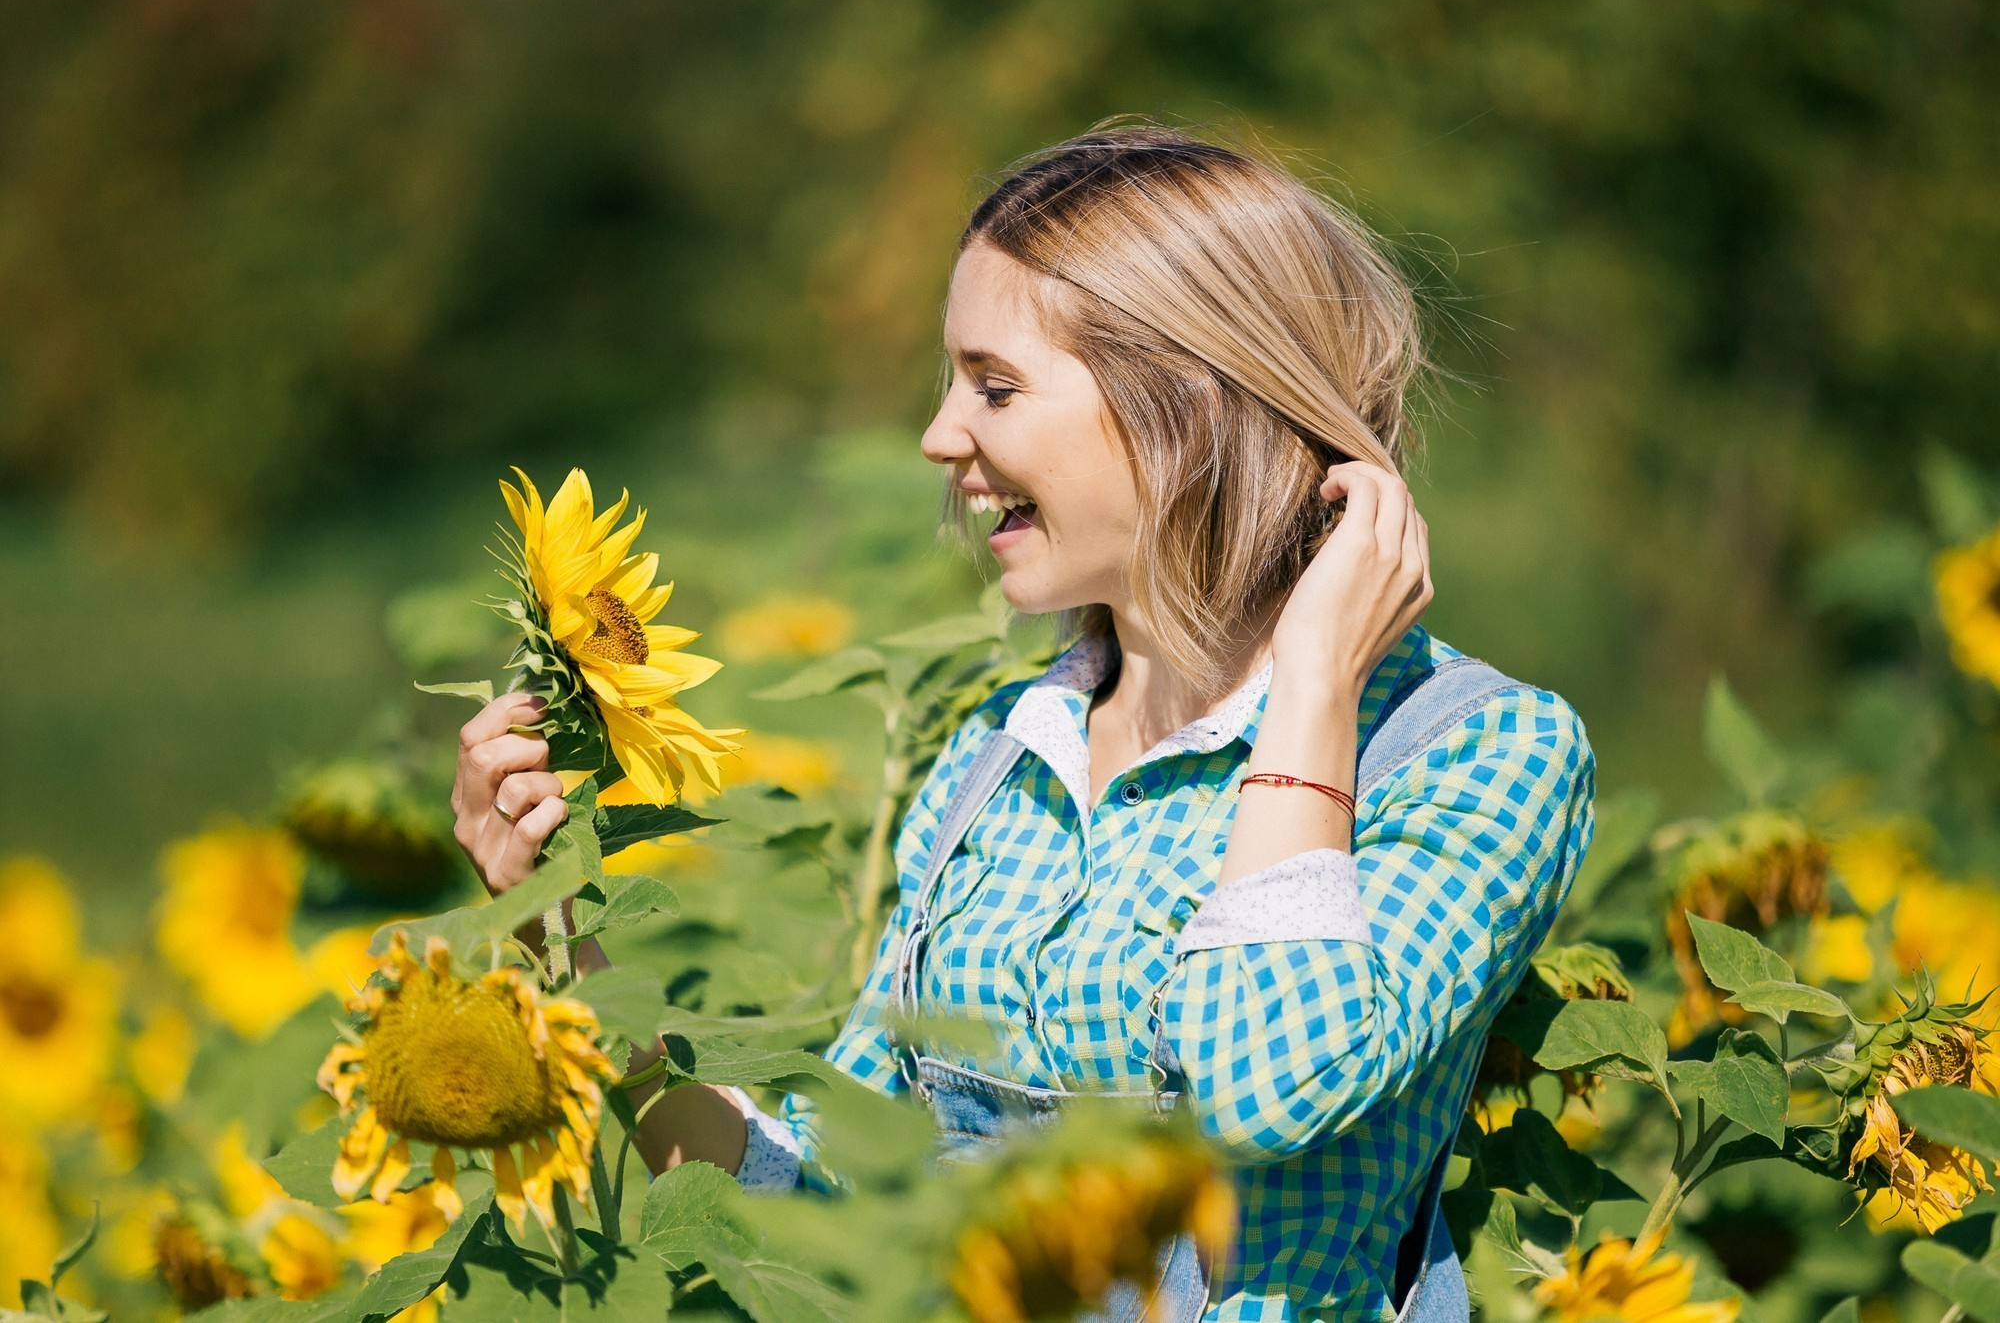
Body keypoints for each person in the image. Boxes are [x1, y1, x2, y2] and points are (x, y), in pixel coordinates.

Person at [450, 123, 1596, 1322]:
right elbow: (827, 1202)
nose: (942, 436)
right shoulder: (1000, 759)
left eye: (994, 387)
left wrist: (1310, 687)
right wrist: (560, 934)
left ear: (1188, 406)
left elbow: (1264, 1089)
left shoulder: (1469, 750)